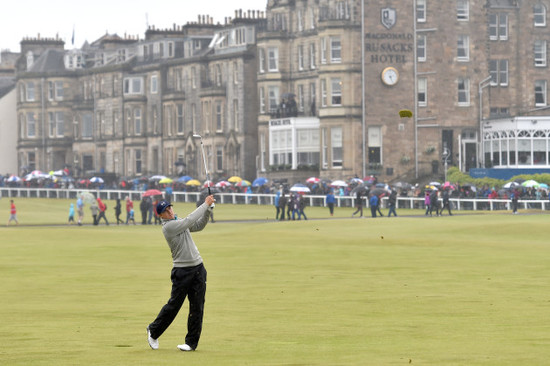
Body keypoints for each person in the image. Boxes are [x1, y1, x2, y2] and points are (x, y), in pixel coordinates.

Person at [147, 196, 215, 352]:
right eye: (166, 210)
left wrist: (208, 212)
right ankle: (153, 330)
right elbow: (189, 221)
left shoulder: (178, 221)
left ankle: (191, 343)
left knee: (197, 306)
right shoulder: (168, 227)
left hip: (198, 267)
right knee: (174, 305)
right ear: (161, 216)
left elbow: (198, 226)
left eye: (170, 208)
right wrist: (205, 204)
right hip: (182, 271)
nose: (170, 211)